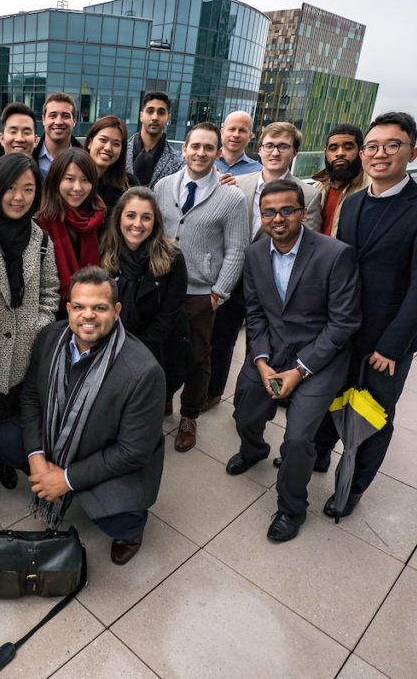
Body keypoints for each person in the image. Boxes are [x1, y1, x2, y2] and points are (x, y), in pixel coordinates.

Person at [315, 111, 417, 519]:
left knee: (372, 416)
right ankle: (320, 455)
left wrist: (392, 345)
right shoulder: (355, 202)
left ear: (411, 152)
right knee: (330, 397)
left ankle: (353, 488)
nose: (379, 154)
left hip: (386, 341)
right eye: (372, 147)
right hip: (344, 329)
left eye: (391, 146)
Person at [0, 266, 165, 565]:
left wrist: (66, 479)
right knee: (2, 440)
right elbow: (31, 397)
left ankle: (130, 529)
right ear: (68, 308)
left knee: (122, 521)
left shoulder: (144, 372)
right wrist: (36, 459)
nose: (88, 315)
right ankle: (56, 475)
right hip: (56, 436)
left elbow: (132, 452)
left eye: (99, 307)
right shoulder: (49, 338)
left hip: (104, 452)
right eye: (80, 306)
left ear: (116, 310)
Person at [225, 181, 361, 542]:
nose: (278, 218)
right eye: (269, 212)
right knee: (244, 410)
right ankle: (254, 449)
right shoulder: (255, 254)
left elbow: (344, 322)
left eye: (287, 210)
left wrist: (300, 371)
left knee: (299, 438)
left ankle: (291, 508)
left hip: (320, 359)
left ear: (303, 212)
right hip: (272, 353)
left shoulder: (335, 254)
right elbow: (255, 313)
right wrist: (262, 361)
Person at [203, 121, 322, 414]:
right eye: (269, 145)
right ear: (259, 148)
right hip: (232, 278)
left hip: (275, 285)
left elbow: (307, 248)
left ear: (295, 151)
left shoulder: (308, 195)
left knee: (267, 346)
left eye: (283, 146)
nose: (275, 152)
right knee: (222, 339)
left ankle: (267, 397)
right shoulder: (236, 184)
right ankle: (215, 393)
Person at [0, 153, 61, 501]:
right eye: (10, 188)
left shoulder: (40, 238)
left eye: (27, 189)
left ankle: (3, 458)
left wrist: (41, 324)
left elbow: (50, 291)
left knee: (10, 413)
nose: (19, 197)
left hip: (24, 346)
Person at [154, 122, 249, 452]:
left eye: (209, 148)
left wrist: (218, 293)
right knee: (160, 348)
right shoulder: (163, 186)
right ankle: (162, 399)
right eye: (195, 146)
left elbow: (237, 248)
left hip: (200, 291)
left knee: (197, 356)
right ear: (184, 149)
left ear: (218, 153)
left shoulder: (232, 197)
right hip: (162, 287)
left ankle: (189, 416)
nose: (201, 152)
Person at [99, 186, 189, 404]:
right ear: (119, 218)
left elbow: (169, 313)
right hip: (110, 347)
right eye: (131, 215)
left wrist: (135, 352)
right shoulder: (104, 251)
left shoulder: (173, 258)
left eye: (146, 217)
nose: (137, 224)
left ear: (155, 222)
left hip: (155, 349)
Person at [37, 147, 108, 309]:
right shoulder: (40, 224)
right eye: (70, 179)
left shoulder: (101, 219)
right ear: (56, 180)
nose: (77, 187)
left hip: (93, 309)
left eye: (85, 180)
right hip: (53, 313)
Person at [311, 123, 371, 237]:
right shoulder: (317, 188)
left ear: (361, 151)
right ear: (325, 153)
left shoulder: (371, 190)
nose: (340, 153)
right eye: (333, 149)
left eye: (348, 148)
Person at [125, 91, 184, 188]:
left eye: (161, 112)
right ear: (141, 116)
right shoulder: (121, 151)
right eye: (150, 111)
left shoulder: (178, 162)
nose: (155, 117)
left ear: (168, 118)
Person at [85, 115, 139, 211]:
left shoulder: (130, 185)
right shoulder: (72, 179)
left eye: (116, 144)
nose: (108, 148)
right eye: (103, 140)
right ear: (90, 142)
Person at [32, 92, 82, 179]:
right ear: (43, 120)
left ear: (74, 121)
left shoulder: (86, 159)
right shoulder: (30, 156)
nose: (58, 122)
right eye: (53, 116)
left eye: (65, 116)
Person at [214, 111, 263, 177]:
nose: (236, 135)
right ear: (222, 133)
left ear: (250, 137)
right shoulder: (205, 162)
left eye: (242, 130)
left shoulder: (259, 172)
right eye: (232, 129)